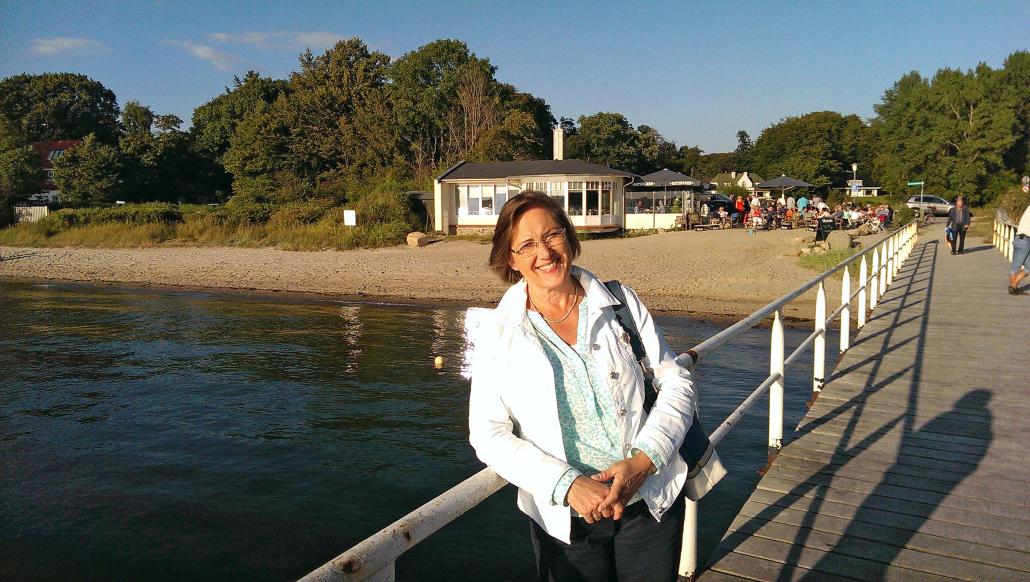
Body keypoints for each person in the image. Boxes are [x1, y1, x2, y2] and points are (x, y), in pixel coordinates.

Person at [468, 191, 696, 580]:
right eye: (526, 245)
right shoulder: (498, 332)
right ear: (511, 259)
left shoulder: (620, 302)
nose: (544, 252)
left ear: (568, 237)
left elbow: (676, 381)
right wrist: (567, 484)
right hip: (566, 521)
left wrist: (644, 462)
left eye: (552, 235)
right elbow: (487, 433)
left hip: (647, 500)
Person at [1008, 202, 1030, 295]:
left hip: (1024, 239)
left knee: (1029, 267)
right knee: (1016, 266)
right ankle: (1014, 288)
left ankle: (1014, 286)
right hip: (1023, 239)